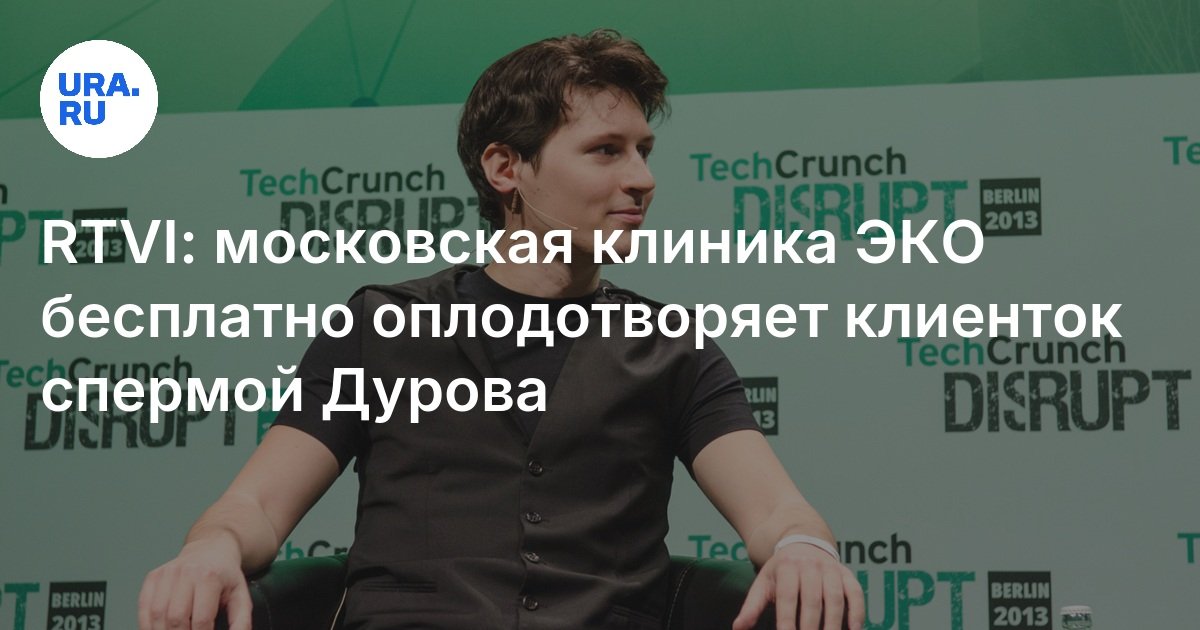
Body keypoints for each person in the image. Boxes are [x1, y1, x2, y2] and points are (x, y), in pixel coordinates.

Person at [138, 29, 865, 630]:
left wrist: (803, 547)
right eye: (606, 150)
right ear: (505, 168)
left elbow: (777, 509)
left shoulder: (671, 346)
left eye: (644, 151)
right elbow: (257, 505)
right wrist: (212, 549)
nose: (643, 179)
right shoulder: (381, 326)